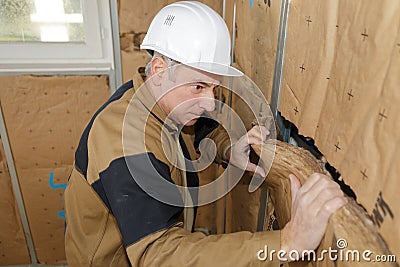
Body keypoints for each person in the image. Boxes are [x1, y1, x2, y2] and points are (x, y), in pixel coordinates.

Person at [64, 1, 347, 266]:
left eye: (214, 87)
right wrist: (287, 242)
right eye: (198, 87)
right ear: (160, 70)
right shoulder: (124, 143)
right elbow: (159, 254)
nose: (210, 102)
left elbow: (200, 130)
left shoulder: (159, 99)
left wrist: (228, 149)